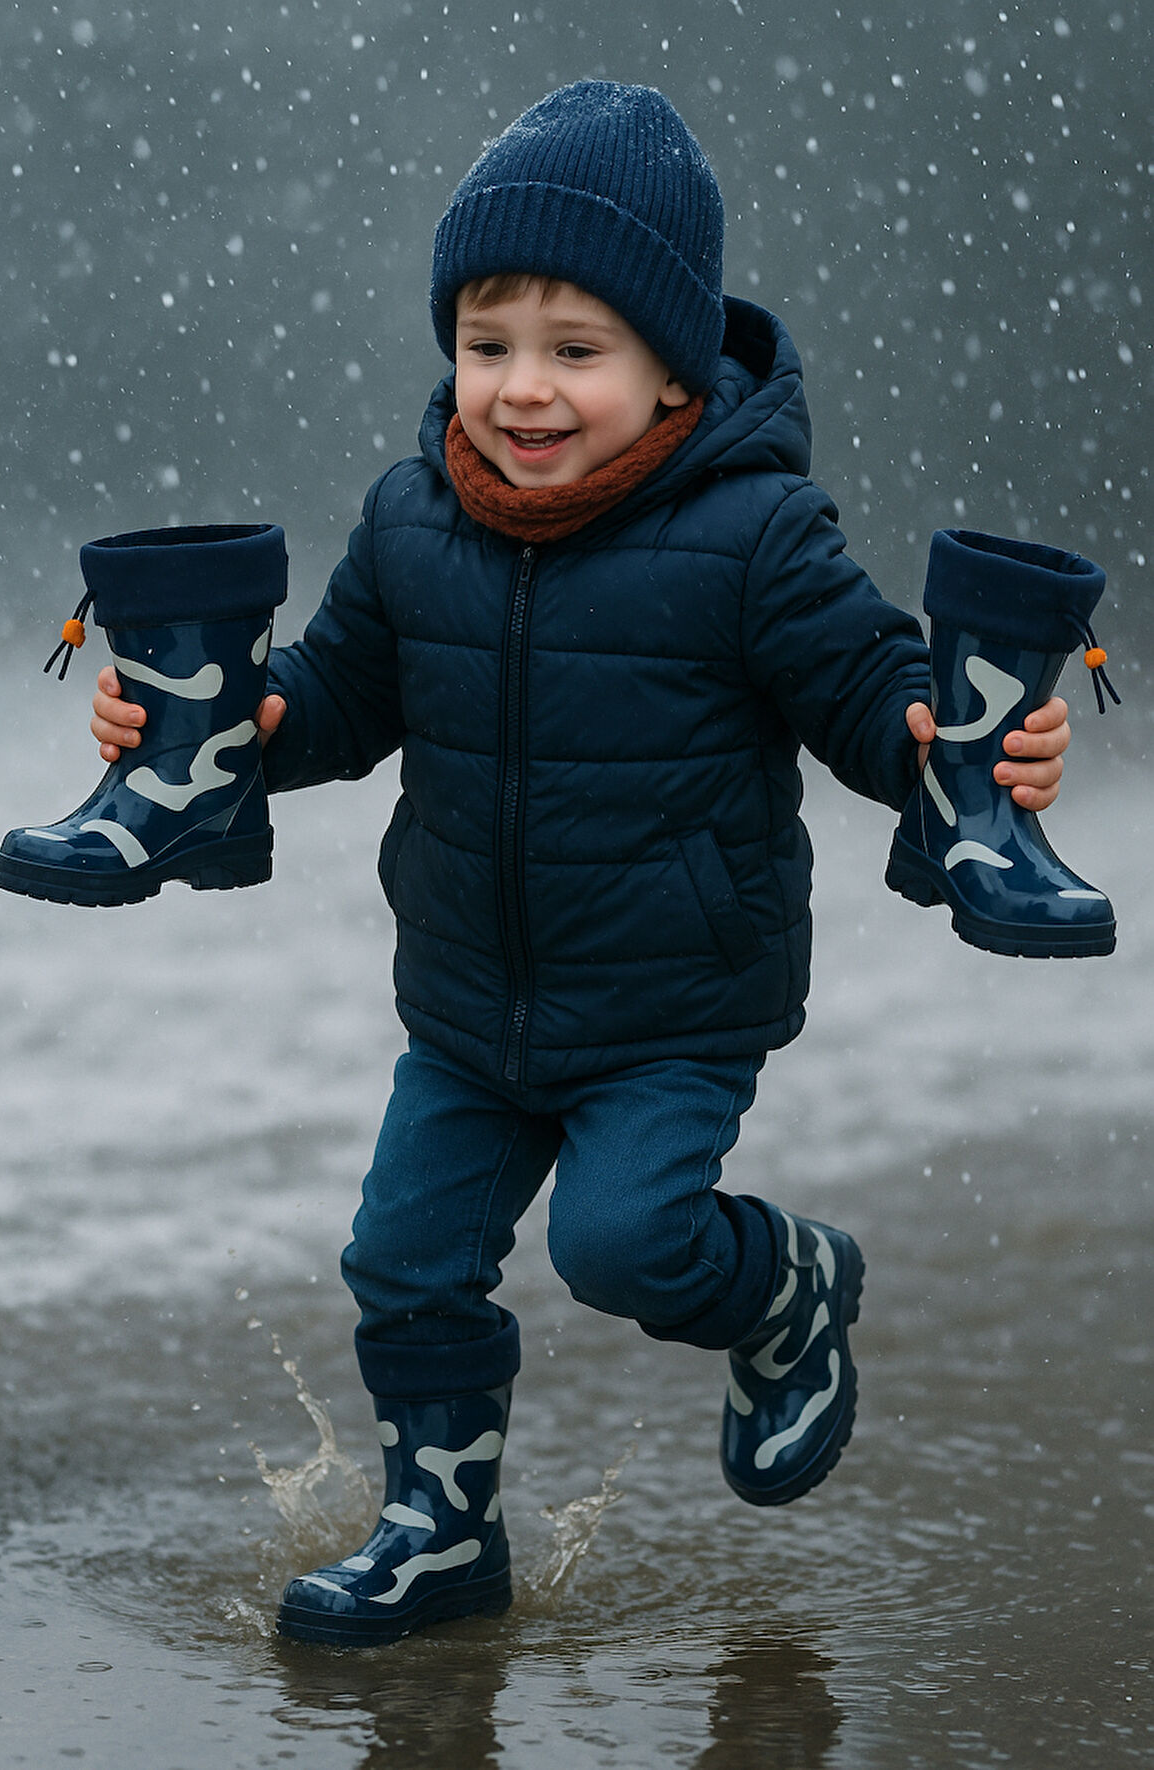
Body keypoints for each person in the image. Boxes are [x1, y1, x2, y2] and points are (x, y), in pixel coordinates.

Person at [89, 82, 1070, 1648]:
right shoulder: (414, 522)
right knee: (401, 1258)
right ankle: (441, 1528)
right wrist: (206, 725)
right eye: (488, 345)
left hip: (675, 1005)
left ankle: (789, 1287)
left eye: (574, 349)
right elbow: (331, 701)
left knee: (620, 1244)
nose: (521, 389)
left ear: (674, 370)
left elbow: (875, 700)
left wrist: (976, 750)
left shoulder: (755, 533)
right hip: (472, 1009)